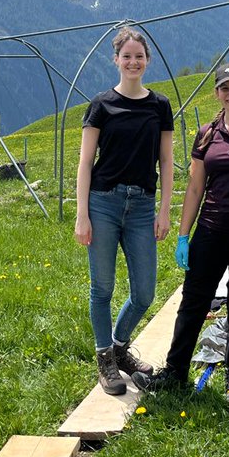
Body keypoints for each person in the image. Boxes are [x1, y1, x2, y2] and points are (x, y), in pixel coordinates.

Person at [134, 63, 229, 401]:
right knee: (193, 301)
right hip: (211, 229)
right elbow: (194, 188)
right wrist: (182, 235)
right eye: (225, 88)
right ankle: (175, 373)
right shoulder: (206, 134)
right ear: (217, 94)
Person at [76, 27, 174, 395]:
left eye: (139, 56)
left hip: (141, 206)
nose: (133, 62)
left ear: (147, 61)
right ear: (116, 60)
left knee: (145, 292)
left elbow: (166, 160)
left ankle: (119, 347)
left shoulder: (159, 105)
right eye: (126, 56)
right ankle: (106, 361)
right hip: (103, 202)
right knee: (102, 288)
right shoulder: (101, 105)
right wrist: (81, 214)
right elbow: (85, 163)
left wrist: (164, 211)